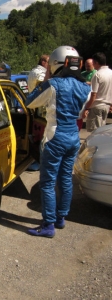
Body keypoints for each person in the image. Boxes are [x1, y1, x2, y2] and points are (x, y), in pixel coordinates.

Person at [25, 46, 91, 238]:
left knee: (47, 183)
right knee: (65, 179)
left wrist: (45, 79)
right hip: (73, 136)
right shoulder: (85, 87)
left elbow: (30, 101)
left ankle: (48, 225)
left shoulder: (53, 84)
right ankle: (61, 218)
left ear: (54, 65)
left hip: (55, 137)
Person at [83, 52, 112, 132]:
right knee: (102, 131)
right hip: (106, 106)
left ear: (96, 62)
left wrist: (87, 108)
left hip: (96, 106)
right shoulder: (110, 72)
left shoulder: (97, 75)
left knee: (94, 132)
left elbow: (93, 94)